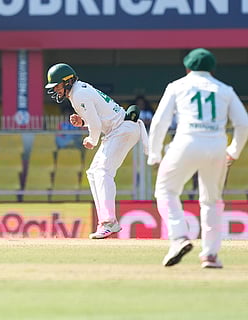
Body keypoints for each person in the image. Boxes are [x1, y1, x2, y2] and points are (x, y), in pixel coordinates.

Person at [147, 48, 248, 268]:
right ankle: (210, 255)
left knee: (165, 190)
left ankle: (179, 237)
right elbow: (243, 124)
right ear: (212, 69)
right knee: (212, 200)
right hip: (217, 145)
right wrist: (234, 150)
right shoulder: (225, 90)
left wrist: (154, 154)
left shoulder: (177, 86)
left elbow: (159, 122)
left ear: (187, 67)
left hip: (187, 142)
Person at [45, 63, 148, 239]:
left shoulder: (78, 94)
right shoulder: (78, 91)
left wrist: (91, 140)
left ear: (67, 81)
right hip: (120, 129)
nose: (55, 90)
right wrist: (82, 122)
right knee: (94, 172)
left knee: (102, 172)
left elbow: (97, 125)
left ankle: (108, 223)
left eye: (57, 85)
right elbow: (97, 119)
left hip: (122, 129)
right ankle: (106, 222)